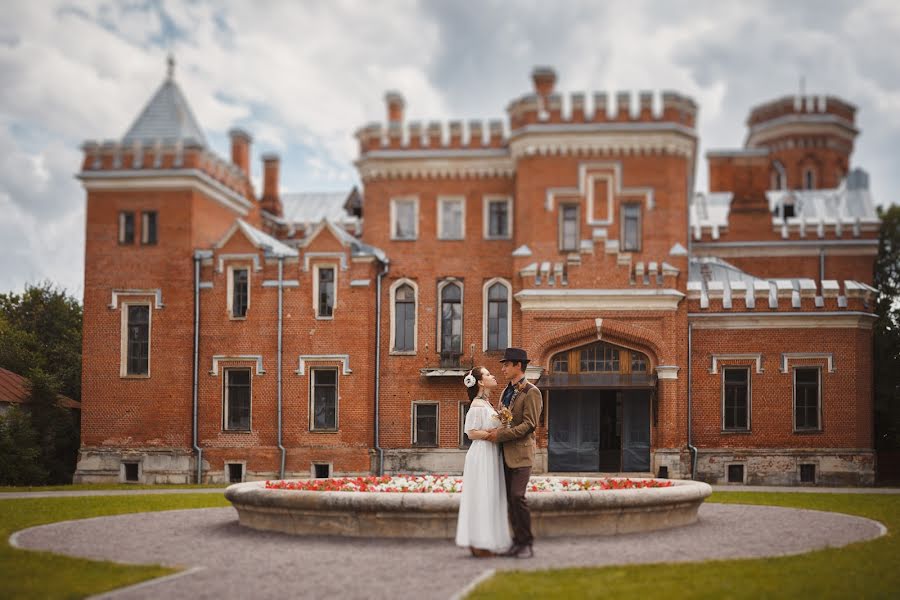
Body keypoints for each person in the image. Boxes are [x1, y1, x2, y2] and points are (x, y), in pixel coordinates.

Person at [486, 347, 541, 558]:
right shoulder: (505, 391)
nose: (503, 369)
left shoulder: (531, 392)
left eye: (506, 364)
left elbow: (529, 425)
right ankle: (517, 542)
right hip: (504, 454)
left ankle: (526, 543)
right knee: (510, 500)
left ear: (518, 365)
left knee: (518, 496)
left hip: (521, 455)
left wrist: (499, 435)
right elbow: (503, 419)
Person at [455, 366, 512, 557]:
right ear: (480, 382)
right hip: (481, 454)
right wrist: (494, 435)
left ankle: (485, 540)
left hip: (491, 453)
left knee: (490, 495)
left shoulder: (487, 404)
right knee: (481, 495)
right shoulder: (477, 405)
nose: (492, 375)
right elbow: (471, 433)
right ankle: (478, 541)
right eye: (488, 374)